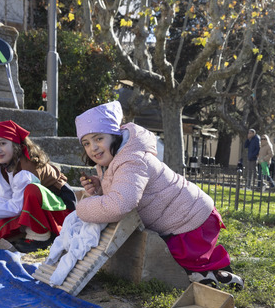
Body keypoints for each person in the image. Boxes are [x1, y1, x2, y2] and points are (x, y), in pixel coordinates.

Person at [72, 101, 245, 291]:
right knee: (179, 260)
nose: (93, 148)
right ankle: (212, 273)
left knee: (178, 263)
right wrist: (100, 189)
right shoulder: (116, 159)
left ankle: (214, 276)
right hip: (183, 217)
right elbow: (124, 188)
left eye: (98, 138)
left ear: (114, 136)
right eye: (86, 143)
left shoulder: (132, 160)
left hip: (191, 220)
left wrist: (82, 207)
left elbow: (120, 204)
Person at [0, 120, 77, 252]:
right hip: (40, 207)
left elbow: (17, 206)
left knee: (31, 190)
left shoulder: (26, 169)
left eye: (2, 143)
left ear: (15, 144)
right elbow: (4, 199)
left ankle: (41, 234)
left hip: (60, 209)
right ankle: (19, 231)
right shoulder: (4, 168)